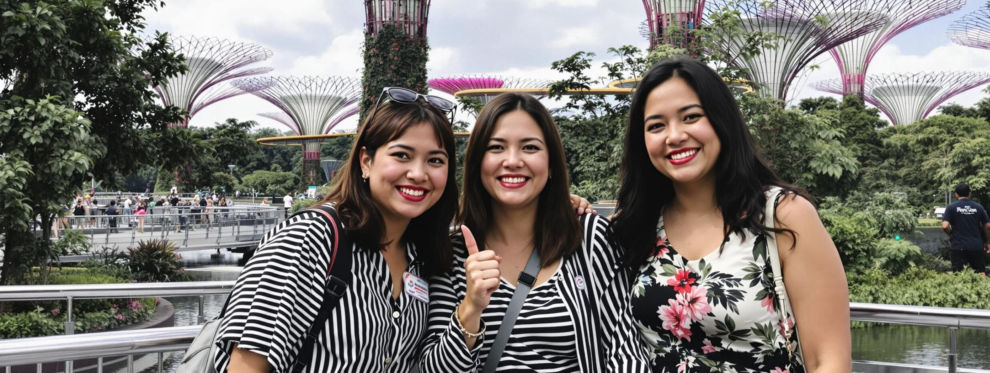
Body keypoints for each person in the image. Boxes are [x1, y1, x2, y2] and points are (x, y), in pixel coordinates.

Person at [612, 57, 850, 373]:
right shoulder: (635, 226)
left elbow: (828, 361)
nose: (674, 136)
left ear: (721, 119)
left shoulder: (783, 215)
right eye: (656, 125)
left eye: (691, 117)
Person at [213, 87, 459, 373]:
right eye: (402, 155)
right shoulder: (309, 238)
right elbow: (247, 367)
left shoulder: (421, 255)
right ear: (366, 161)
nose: (419, 174)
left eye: (435, 160)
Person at [419, 92, 650, 373]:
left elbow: (623, 350)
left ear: (551, 162)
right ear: (478, 162)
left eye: (529, 148)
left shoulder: (589, 238)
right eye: (496, 148)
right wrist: (470, 308)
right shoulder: (452, 252)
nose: (513, 161)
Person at [942, 183, 990, 275]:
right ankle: (983, 288)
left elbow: (945, 226)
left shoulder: (951, 207)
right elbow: (987, 226)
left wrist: (950, 234)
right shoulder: (978, 207)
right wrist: (987, 242)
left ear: (956, 194)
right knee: (981, 272)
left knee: (958, 274)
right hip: (976, 245)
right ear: (969, 193)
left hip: (958, 245)